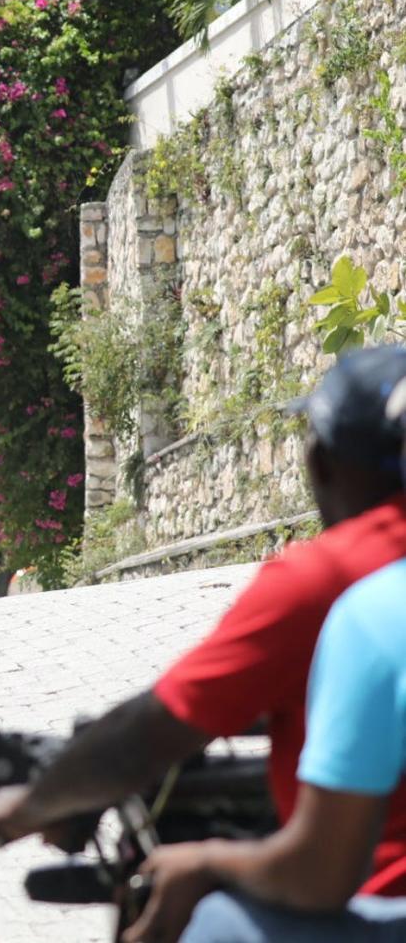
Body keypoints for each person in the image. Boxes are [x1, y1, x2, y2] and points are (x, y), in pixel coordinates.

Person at [0, 346, 406, 924]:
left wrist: (28, 805)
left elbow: (153, 731)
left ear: (323, 461)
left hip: (377, 904)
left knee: (200, 910)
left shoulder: (329, 582)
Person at [124, 377, 406, 942]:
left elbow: (321, 873)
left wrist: (207, 862)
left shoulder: (370, 607)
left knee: (213, 921)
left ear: (324, 464)